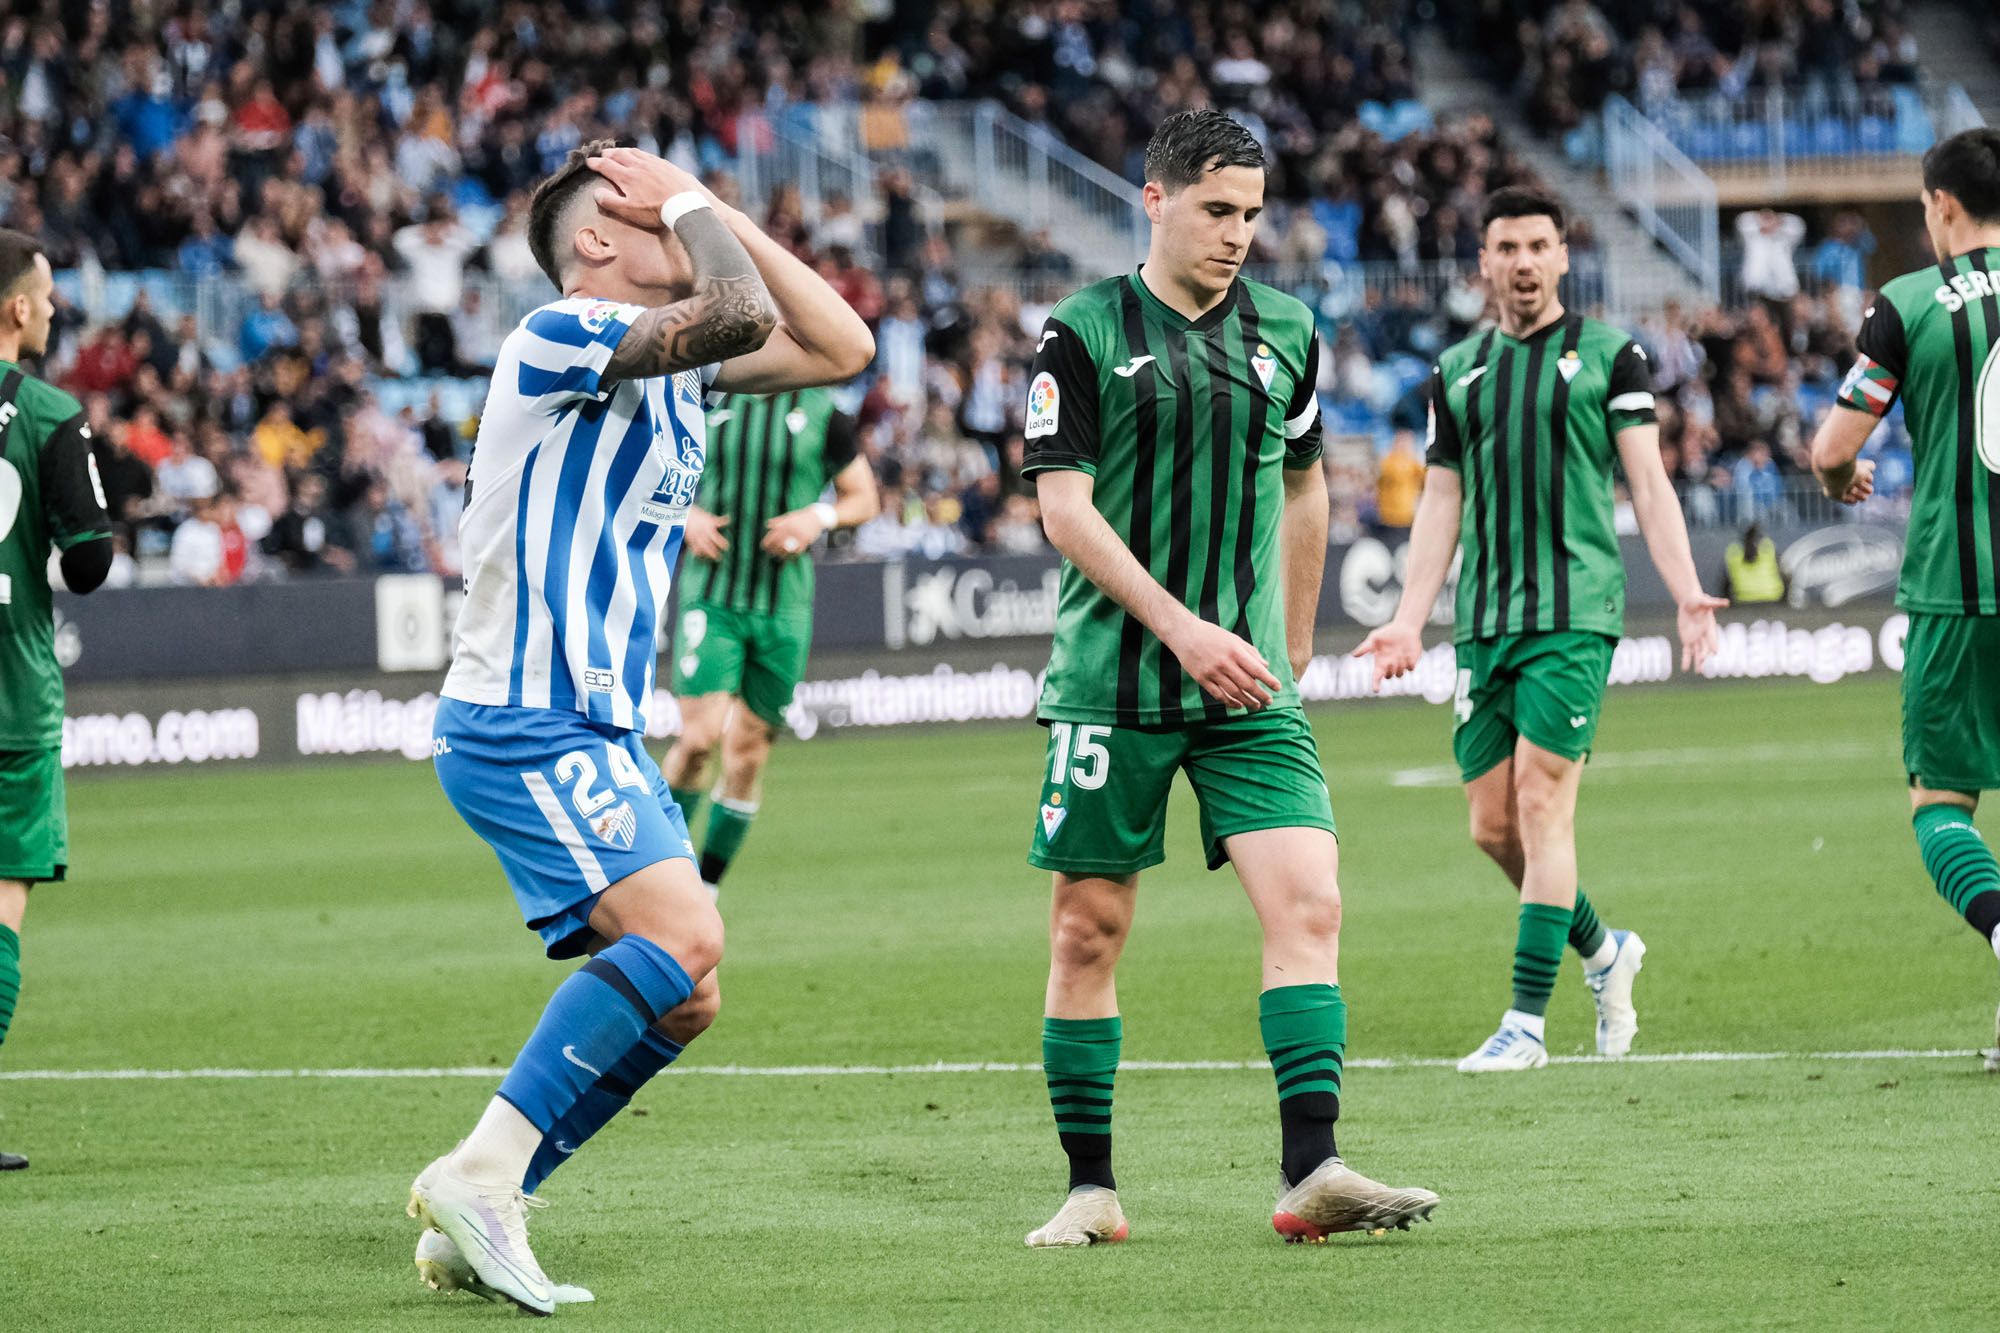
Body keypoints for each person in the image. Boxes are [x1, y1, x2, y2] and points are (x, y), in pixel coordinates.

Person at [405, 142, 872, 1314]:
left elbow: (841, 347)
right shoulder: (559, 332)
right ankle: (481, 1171)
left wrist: (708, 209)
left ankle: (483, 1202)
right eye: (653, 222)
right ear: (600, 243)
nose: (684, 231)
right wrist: (694, 204)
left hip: (591, 723)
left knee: (686, 992)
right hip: (524, 714)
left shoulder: (677, 371)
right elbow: (731, 307)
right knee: (686, 933)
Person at [1018, 110, 1439, 1249]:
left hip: (1245, 684)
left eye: (1251, 213)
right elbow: (1064, 509)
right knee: (1087, 932)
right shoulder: (1081, 331)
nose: (1238, 233)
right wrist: (1180, 625)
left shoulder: (1287, 330)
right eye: (1216, 211)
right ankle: (1089, 1189)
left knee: (1310, 901)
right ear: (1151, 201)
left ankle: (1313, 1168)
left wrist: (1287, 640)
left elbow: (1305, 485)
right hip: (1114, 678)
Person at [1356, 187, 1726, 1073]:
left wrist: (1684, 591)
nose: (1523, 261)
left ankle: (1525, 1022)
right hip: (1485, 621)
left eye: (1538, 245)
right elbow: (1441, 498)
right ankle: (1605, 950)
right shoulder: (1457, 370)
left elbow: (1648, 482)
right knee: (1492, 828)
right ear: (1482, 263)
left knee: (1541, 804)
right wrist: (1408, 619)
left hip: (1574, 613)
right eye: (1506, 247)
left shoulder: (1611, 355)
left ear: (1563, 257)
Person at [1808, 127, 2000, 1068]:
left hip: (1956, 591)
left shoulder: (1910, 302)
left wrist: (1843, 480)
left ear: (1940, 206)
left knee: (1942, 802)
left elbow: (1832, 447)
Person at [660, 389, 878, 894]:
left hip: (784, 605)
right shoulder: (704, 400)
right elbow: (644, 475)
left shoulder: (826, 414)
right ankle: (662, 873)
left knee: (750, 751)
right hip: (712, 595)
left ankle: (705, 888)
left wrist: (817, 517)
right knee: (698, 740)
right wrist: (683, 514)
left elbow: (864, 498)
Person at [0, 229, 115, 1172]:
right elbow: (87, 565)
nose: (52, 308)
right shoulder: (46, 414)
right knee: (1, 902)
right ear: (15, 309)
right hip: (9, 698)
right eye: (44, 296)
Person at [1723, 522, 1786, 605]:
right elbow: (1784, 578)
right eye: (1751, 541)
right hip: (1756, 601)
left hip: (1761, 600)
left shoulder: (1734, 555)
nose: (1753, 545)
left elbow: (1726, 585)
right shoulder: (1768, 551)